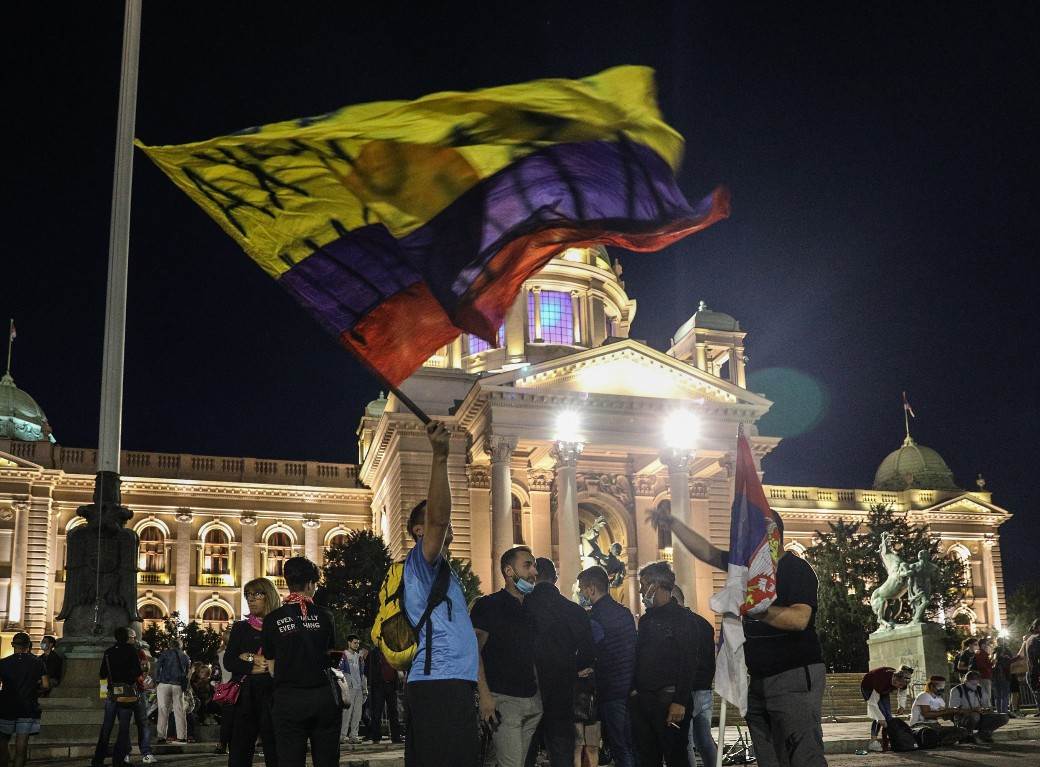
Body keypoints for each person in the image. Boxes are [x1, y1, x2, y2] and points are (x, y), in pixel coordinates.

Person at [663, 514, 827, 767]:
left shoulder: (794, 568)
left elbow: (799, 619)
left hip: (793, 676)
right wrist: (673, 523)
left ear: (773, 535)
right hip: (759, 680)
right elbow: (708, 552)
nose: (745, 542)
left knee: (801, 756)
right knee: (768, 757)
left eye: (751, 535)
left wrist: (753, 607)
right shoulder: (749, 570)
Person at [402, 420, 479, 767]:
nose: (447, 529)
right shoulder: (421, 560)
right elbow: (438, 520)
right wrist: (440, 456)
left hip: (453, 683)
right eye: (435, 525)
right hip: (437, 683)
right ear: (419, 530)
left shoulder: (445, 573)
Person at [261, 556, 340, 767]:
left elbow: (272, 667)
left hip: (288, 699)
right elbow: (330, 655)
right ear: (310, 584)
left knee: (289, 760)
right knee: (327, 760)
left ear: (288, 582)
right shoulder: (325, 616)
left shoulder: (272, 620)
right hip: (323, 697)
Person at [470, 545, 542, 767]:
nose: (534, 572)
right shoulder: (488, 606)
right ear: (509, 571)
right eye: (527, 565)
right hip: (504, 701)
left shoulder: (533, 607)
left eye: (535, 566)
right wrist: (485, 697)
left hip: (533, 701)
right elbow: (474, 651)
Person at [523, 557, 595, 767]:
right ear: (555, 578)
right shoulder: (574, 611)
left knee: (525, 752)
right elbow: (589, 652)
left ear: (533, 576)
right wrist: (571, 669)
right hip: (562, 690)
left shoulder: (522, 606)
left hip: (528, 687)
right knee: (562, 753)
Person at [630, 561, 698, 767]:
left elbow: (689, 661)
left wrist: (680, 701)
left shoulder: (683, 619)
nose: (641, 591)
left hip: (670, 700)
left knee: (676, 757)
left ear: (655, 585)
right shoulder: (647, 620)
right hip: (644, 701)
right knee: (647, 758)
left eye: (643, 585)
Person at [577, 565, 636, 767]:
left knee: (619, 747)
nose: (580, 593)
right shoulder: (625, 613)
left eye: (581, 589)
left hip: (608, 689)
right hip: (628, 688)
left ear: (591, 589)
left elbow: (592, 652)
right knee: (627, 745)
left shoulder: (595, 618)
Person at [225, 577, 280, 767]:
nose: (251, 599)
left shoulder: (280, 627)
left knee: (275, 751)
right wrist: (253, 660)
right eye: (248, 594)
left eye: (257, 594)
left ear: (269, 595)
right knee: (240, 752)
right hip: (245, 696)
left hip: (272, 696)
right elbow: (229, 661)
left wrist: (245, 656)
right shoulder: (241, 627)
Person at [671, 586, 717, 767]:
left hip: (687, 690)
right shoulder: (704, 623)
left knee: (686, 742)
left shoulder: (680, 624)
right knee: (704, 739)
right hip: (704, 689)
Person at [91, 627, 139, 767]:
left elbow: (102, 674)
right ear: (127, 637)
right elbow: (137, 671)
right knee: (124, 728)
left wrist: (103, 692)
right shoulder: (131, 651)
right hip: (126, 693)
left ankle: (98, 759)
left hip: (112, 693)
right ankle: (118, 760)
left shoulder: (108, 652)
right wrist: (129, 681)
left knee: (106, 727)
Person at [0, 632, 49, 767]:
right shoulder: (38, 663)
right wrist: (35, 691)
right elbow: (46, 685)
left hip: (6, 707)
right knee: (21, 745)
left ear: (12, 645)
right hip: (28, 706)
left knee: (3, 740)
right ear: (28, 645)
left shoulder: (3, 663)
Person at [859, 665, 912, 752]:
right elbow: (872, 703)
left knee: (888, 717)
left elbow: (902, 692)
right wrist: (880, 718)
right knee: (881, 715)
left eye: (900, 685)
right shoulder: (881, 680)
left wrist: (902, 706)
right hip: (868, 687)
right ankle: (873, 742)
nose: (898, 687)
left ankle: (887, 742)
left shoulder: (903, 681)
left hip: (884, 689)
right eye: (896, 684)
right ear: (894, 677)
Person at [948, 670, 1008, 742]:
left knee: (1004, 717)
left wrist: (986, 710)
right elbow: (953, 710)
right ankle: (967, 735)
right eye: (972, 681)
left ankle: (983, 734)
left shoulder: (979, 689)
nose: (974, 685)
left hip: (980, 716)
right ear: (965, 680)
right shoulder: (956, 690)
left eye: (976, 681)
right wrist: (972, 710)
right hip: (963, 718)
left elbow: (988, 706)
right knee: (975, 716)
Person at [126, 627, 157, 764]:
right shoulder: (138, 653)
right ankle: (146, 753)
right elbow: (145, 668)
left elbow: (104, 673)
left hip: (121, 692)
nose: (135, 639)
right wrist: (141, 679)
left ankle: (125, 754)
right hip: (137, 689)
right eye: (133, 637)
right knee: (142, 722)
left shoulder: (110, 652)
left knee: (125, 724)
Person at [909, 675, 964, 747]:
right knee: (933, 731)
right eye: (939, 686)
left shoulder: (940, 699)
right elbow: (926, 714)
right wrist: (947, 711)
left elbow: (941, 716)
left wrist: (954, 711)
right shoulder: (924, 696)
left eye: (943, 686)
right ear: (931, 686)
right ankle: (936, 740)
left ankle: (937, 741)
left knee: (962, 731)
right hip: (920, 725)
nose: (942, 689)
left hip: (935, 725)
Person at [155, 638, 190, 744]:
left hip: (164, 684)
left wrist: (157, 680)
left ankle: (161, 736)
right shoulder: (185, 656)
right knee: (179, 711)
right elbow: (187, 673)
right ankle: (182, 736)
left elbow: (157, 668)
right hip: (178, 685)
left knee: (162, 710)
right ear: (180, 645)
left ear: (170, 645)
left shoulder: (164, 654)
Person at [366, 644, 402, 744]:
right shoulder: (373, 653)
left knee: (394, 712)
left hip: (391, 685)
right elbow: (368, 669)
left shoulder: (392, 650)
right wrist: (373, 683)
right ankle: (376, 737)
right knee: (377, 712)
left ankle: (396, 737)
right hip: (379, 686)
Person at [338, 634, 367, 744]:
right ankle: (342, 735)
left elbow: (362, 673)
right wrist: (344, 685)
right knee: (346, 713)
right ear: (349, 643)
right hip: (349, 688)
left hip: (358, 688)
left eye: (358, 643)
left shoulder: (359, 657)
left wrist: (364, 689)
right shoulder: (344, 655)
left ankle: (354, 735)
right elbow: (339, 671)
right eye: (355, 643)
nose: (357, 645)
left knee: (357, 713)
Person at [992, 636, 1014, 715]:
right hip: (1005, 674)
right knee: (1004, 694)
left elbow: (993, 661)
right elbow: (1011, 660)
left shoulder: (994, 650)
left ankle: (999, 711)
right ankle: (1004, 711)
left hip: (995, 675)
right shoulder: (1007, 650)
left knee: (998, 695)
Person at [974, 637, 995, 707]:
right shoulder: (982, 653)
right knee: (986, 694)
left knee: (984, 694)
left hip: (982, 676)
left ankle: (985, 708)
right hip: (984, 676)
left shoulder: (979, 653)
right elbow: (982, 665)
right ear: (983, 645)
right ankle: (987, 709)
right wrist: (991, 664)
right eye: (986, 644)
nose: (987, 646)